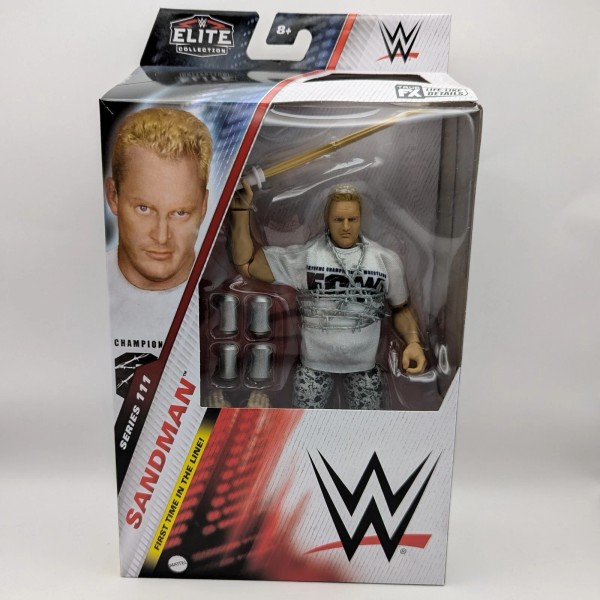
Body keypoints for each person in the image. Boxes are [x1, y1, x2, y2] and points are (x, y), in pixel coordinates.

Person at [229, 182, 427, 409]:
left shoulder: (385, 260)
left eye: (352, 219)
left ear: (361, 219)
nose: (346, 227)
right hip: (313, 367)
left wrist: (413, 342)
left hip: (364, 366)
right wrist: (239, 212)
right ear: (327, 219)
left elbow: (401, 308)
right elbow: (247, 265)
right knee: (301, 423)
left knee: (368, 424)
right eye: (338, 219)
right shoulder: (308, 257)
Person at [104, 107, 212, 417]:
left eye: (180, 212)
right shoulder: (78, 296)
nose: (162, 236)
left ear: (204, 205)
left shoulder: (228, 307)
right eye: (144, 208)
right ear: (113, 195)